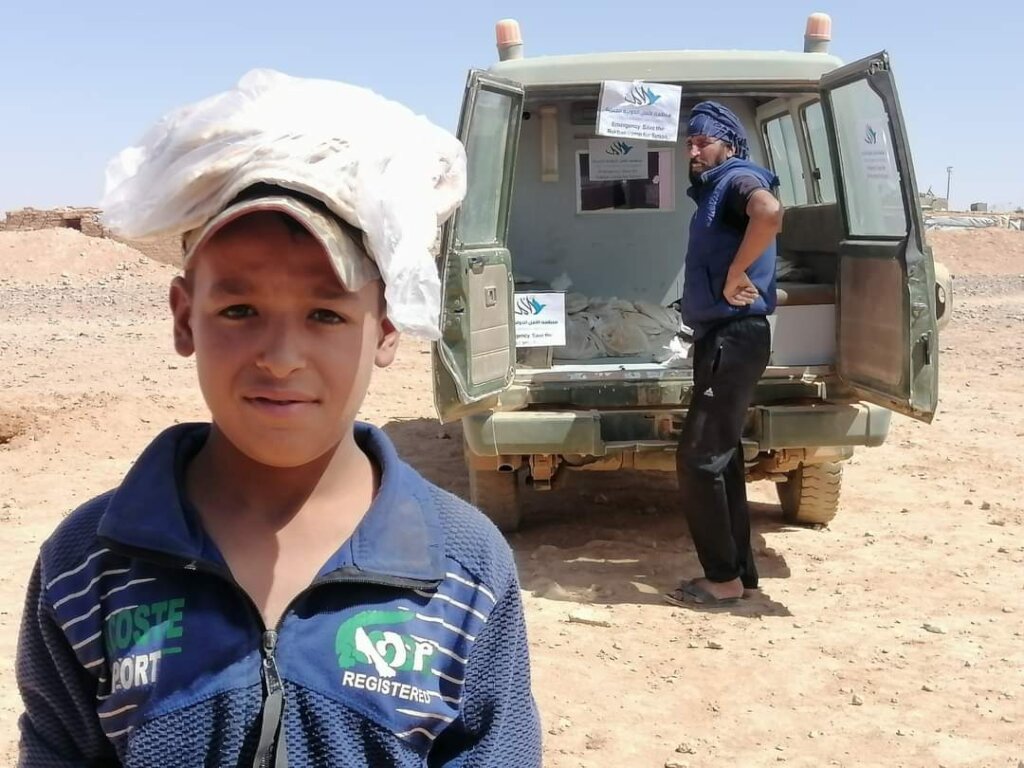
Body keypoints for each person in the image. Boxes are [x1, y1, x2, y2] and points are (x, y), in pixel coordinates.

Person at [15, 75, 542, 767]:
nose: (282, 358)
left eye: (326, 314)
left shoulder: (463, 570)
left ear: (385, 328)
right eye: (239, 311)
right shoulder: (88, 566)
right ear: (184, 318)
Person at [665, 101, 783, 609]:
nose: (693, 149)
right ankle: (742, 575)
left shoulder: (737, 177)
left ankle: (722, 580)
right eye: (689, 142)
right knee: (723, 457)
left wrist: (738, 273)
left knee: (698, 460)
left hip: (734, 337)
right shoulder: (716, 188)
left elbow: (769, 212)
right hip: (726, 338)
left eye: (702, 141)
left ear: (728, 143)